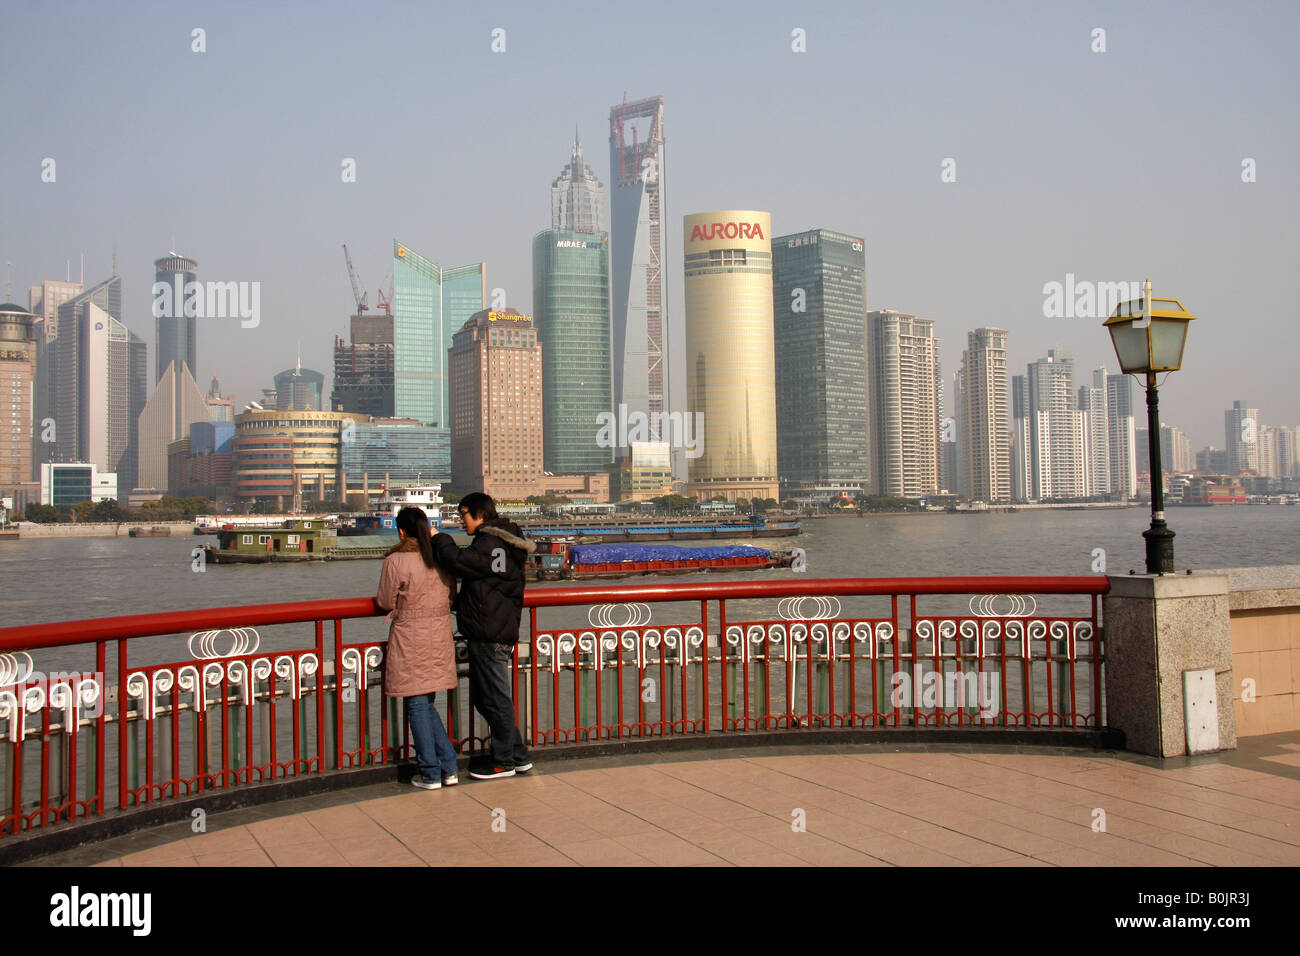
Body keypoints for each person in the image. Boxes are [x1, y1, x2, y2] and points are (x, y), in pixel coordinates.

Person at [432, 492, 535, 780]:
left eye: (463, 514)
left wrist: (439, 539)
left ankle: (503, 761)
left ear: (480, 514)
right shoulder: (501, 541)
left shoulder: (491, 542)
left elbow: (461, 562)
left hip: (491, 634)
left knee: (495, 698)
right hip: (492, 630)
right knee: (486, 697)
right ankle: (518, 754)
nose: (460, 519)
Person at [376, 506, 460, 790]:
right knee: (425, 702)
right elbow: (452, 596)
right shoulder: (439, 558)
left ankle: (430, 771)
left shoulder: (396, 560)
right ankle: (448, 766)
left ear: (400, 531)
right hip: (439, 634)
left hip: (410, 636)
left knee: (415, 702)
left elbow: (385, 601)